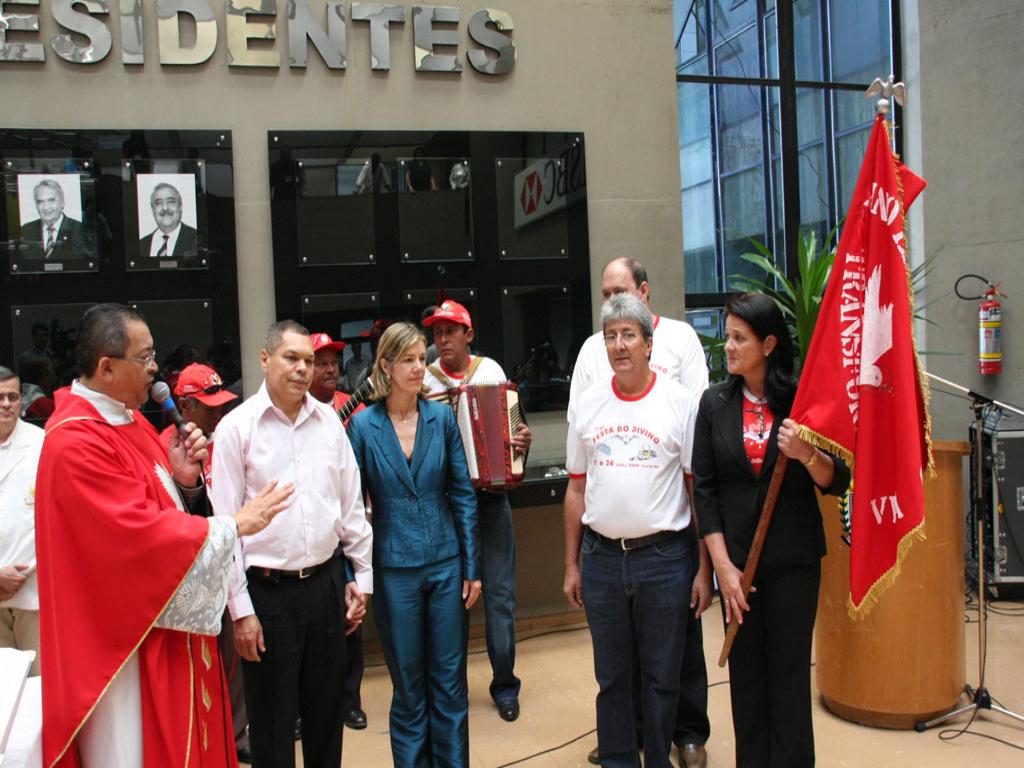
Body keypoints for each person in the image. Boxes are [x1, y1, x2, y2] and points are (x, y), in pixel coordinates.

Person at [34, 303, 292, 768]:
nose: (156, 369)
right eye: (145, 356)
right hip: (123, 652)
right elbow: (131, 537)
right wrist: (233, 524)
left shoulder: (130, 420)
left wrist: (186, 483)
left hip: (164, 633)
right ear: (107, 367)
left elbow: (163, 505)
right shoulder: (73, 442)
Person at [692, 293, 850, 768]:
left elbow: (837, 479)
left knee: (787, 678)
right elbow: (705, 491)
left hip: (794, 565)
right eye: (728, 335)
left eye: (739, 338)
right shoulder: (713, 404)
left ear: (768, 344)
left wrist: (808, 454)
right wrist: (723, 568)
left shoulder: (803, 400)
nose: (728, 346)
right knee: (746, 680)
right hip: (737, 569)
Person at [569, 257, 712, 768]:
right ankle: (619, 758)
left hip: (665, 557)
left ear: (649, 342)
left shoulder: (679, 399)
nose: (619, 344)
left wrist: (703, 564)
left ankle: (663, 753)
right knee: (612, 677)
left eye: (628, 334)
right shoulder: (588, 401)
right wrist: (572, 562)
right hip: (603, 558)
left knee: (661, 674)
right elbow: (576, 487)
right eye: (611, 335)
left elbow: (697, 485)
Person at [211, 320, 373, 768]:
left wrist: (363, 578)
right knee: (273, 729)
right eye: (291, 358)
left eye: (309, 360)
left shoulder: (329, 424)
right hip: (267, 596)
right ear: (265, 360)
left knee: (326, 721)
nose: (303, 369)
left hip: (325, 587)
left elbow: (351, 506)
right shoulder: (236, 429)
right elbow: (226, 531)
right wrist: (241, 613)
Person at [346, 322, 480, 767]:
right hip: (392, 569)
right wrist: (356, 575)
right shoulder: (363, 427)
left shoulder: (441, 418)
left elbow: (462, 492)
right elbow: (350, 508)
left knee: (449, 682)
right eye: (408, 359)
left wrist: (471, 567)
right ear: (385, 365)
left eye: (422, 358)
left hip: (446, 564)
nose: (419, 367)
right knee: (408, 686)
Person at [421, 300, 532, 722]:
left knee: (500, 595)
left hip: (490, 500)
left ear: (469, 334)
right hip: (445, 504)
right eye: (437, 332)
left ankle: (505, 684)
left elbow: (515, 429)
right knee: (451, 600)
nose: (443, 339)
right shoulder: (424, 382)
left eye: (451, 331)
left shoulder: (492, 372)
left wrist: (522, 443)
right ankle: (451, 691)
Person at [156, 362, 250, 761]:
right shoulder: (165, 448)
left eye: (221, 403)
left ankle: (239, 737)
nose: (218, 413)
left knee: (238, 659)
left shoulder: (226, 439)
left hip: (231, 563)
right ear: (184, 405)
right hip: (189, 576)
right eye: (208, 405)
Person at [308, 331, 369, 732]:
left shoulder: (355, 407)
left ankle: (351, 701)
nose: (330, 369)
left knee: (352, 617)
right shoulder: (298, 411)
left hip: (351, 523)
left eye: (334, 362)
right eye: (322, 363)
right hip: (312, 530)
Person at [0, 366, 44, 676]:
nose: (6, 404)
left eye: (13, 397)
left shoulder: (42, 444)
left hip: (35, 589)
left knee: (38, 691)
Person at [17, 179, 87, 262]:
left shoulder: (79, 228)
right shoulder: (27, 230)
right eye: (40, 202)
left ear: (62, 202)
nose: (46, 207)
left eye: (51, 200)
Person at [139, 182, 199, 265]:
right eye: (159, 203)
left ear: (180, 206)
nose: (165, 208)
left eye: (170, 201)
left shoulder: (197, 239)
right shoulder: (141, 244)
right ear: (152, 209)